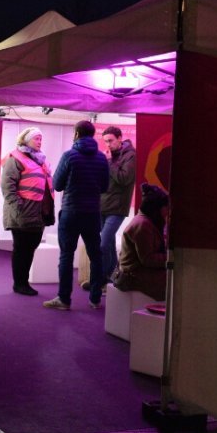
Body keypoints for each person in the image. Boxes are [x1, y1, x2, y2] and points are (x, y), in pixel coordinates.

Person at [44, 120, 108, 311]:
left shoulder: (69, 156)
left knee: (66, 255)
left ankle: (64, 299)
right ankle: (95, 299)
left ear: (77, 134)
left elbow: (57, 184)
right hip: (92, 213)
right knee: (96, 256)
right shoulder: (101, 158)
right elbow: (104, 187)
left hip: (71, 211)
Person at [0, 126, 54, 297]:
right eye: (36, 138)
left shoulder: (41, 160)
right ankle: (20, 283)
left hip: (39, 212)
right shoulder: (15, 158)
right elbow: (8, 186)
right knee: (22, 248)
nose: (39, 141)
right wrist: (19, 207)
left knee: (30, 247)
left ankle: (22, 282)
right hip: (22, 213)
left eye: (40, 139)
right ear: (25, 140)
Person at [91, 125, 136, 307]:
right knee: (107, 244)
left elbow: (125, 179)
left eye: (110, 140)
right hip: (102, 205)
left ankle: (103, 279)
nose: (108, 145)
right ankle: (113, 277)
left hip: (117, 207)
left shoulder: (131, 155)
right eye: (105, 141)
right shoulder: (111, 156)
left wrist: (109, 163)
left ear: (120, 138)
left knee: (103, 243)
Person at [110, 183, 169, 301]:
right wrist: (170, 259)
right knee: (175, 282)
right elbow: (148, 259)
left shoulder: (145, 222)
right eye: (166, 208)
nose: (167, 211)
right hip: (132, 276)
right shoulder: (143, 226)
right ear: (157, 209)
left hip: (135, 271)